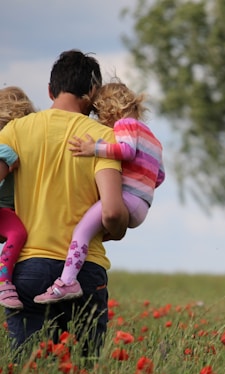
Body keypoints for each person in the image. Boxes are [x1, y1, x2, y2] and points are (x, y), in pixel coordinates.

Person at [0, 50, 129, 357]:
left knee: (28, 371)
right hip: (84, 272)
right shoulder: (102, 138)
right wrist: (119, 227)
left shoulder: (16, 130)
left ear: (50, 90)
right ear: (93, 92)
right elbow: (111, 211)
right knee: (82, 371)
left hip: (27, 269)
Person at [34, 79, 165, 304]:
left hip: (127, 199)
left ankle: (67, 282)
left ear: (110, 109)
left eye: (99, 114)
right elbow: (159, 176)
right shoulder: (153, 138)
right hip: (142, 205)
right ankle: (74, 268)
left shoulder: (125, 125)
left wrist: (93, 149)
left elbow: (126, 151)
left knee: (81, 231)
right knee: (92, 233)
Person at [0, 87, 35, 309]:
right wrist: (12, 156)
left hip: (9, 208)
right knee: (18, 233)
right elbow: (6, 154)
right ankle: (3, 281)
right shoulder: (5, 148)